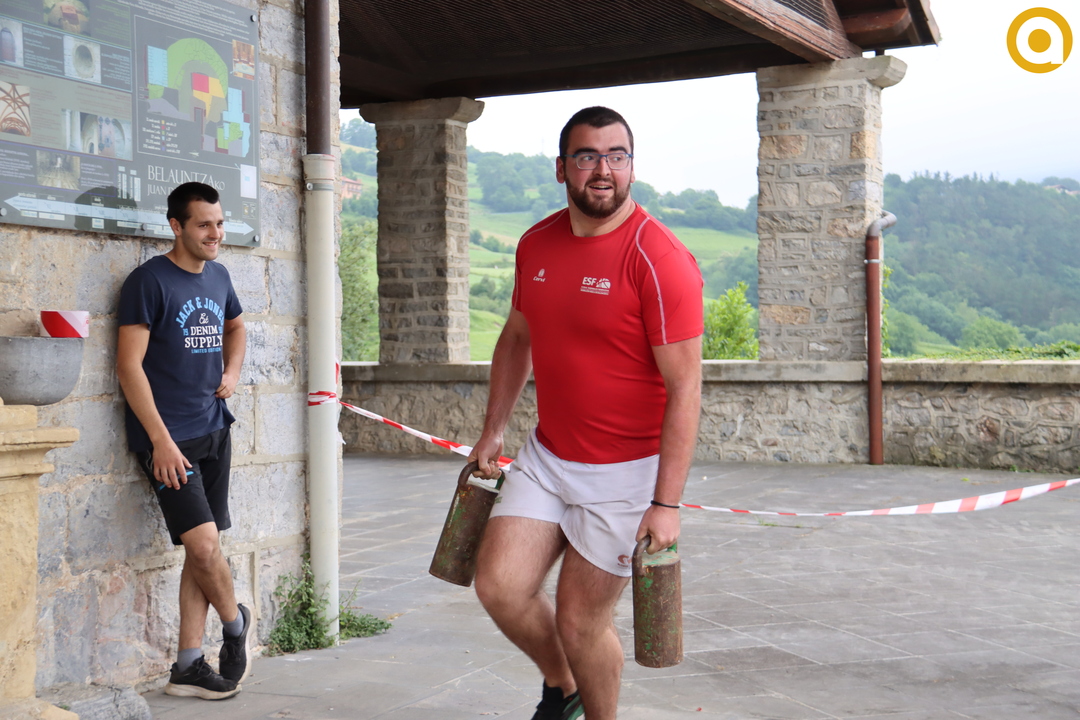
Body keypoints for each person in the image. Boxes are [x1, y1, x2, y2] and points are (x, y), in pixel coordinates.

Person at [468, 107, 703, 720]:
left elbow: (685, 388)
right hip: (548, 456)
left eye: (616, 156)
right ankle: (564, 686)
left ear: (632, 167)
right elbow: (517, 337)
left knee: (580, 621)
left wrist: (667, 504)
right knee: (499, 586)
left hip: (627, 474)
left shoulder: (659, 258)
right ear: (561, 168)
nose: (603, 170)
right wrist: (493, 432)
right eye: (587, 156)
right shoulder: (535, 243)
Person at [117, 182, 250, 700]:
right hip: (169, 441)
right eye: (203, 225)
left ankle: (189, 664)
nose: (215, 233)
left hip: (214, 427)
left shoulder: (219, 276)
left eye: (219, 223)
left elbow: (236, 327)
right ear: (176, 226)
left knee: (203, 549)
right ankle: (235, 623)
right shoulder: (148, 281)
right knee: (204, 545)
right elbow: (129, 367)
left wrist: (232, 372)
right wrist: (160, 441)